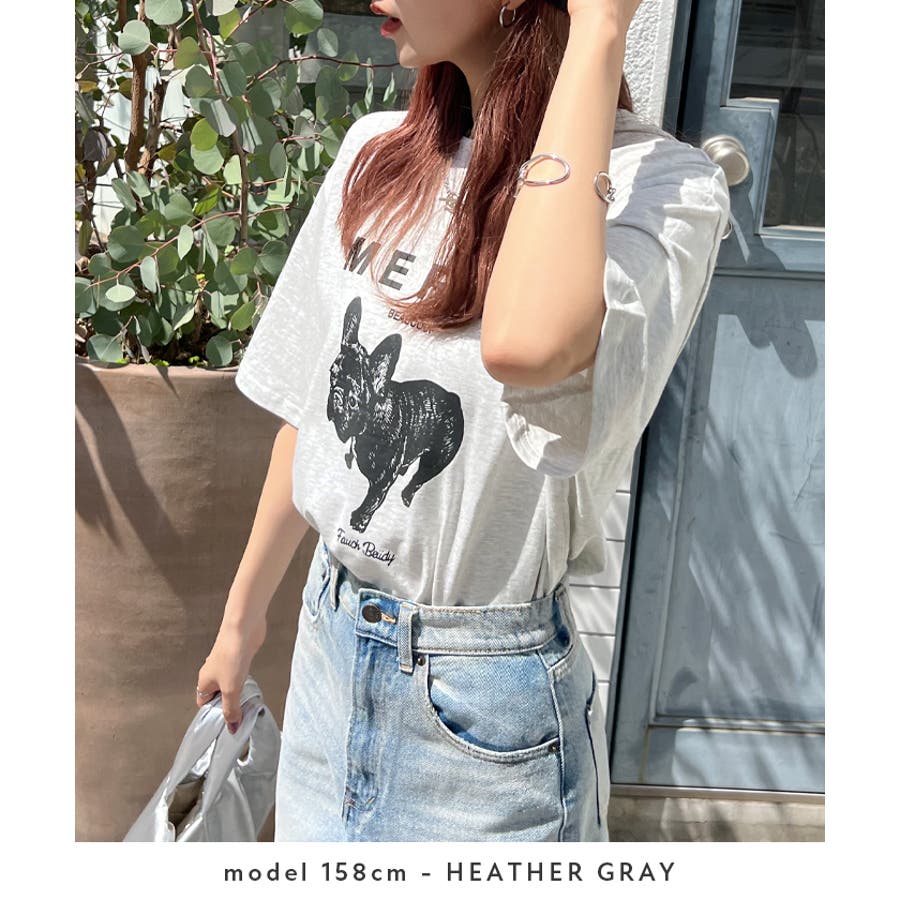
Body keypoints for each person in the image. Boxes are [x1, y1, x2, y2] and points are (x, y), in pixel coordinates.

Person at [195, 0, 730, 841]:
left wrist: (599, 29)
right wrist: (240, 621)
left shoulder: (660, 190)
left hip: (484, 723)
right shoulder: (377, 153)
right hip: (328, 657)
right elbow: (313, 409)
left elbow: (528, 345)